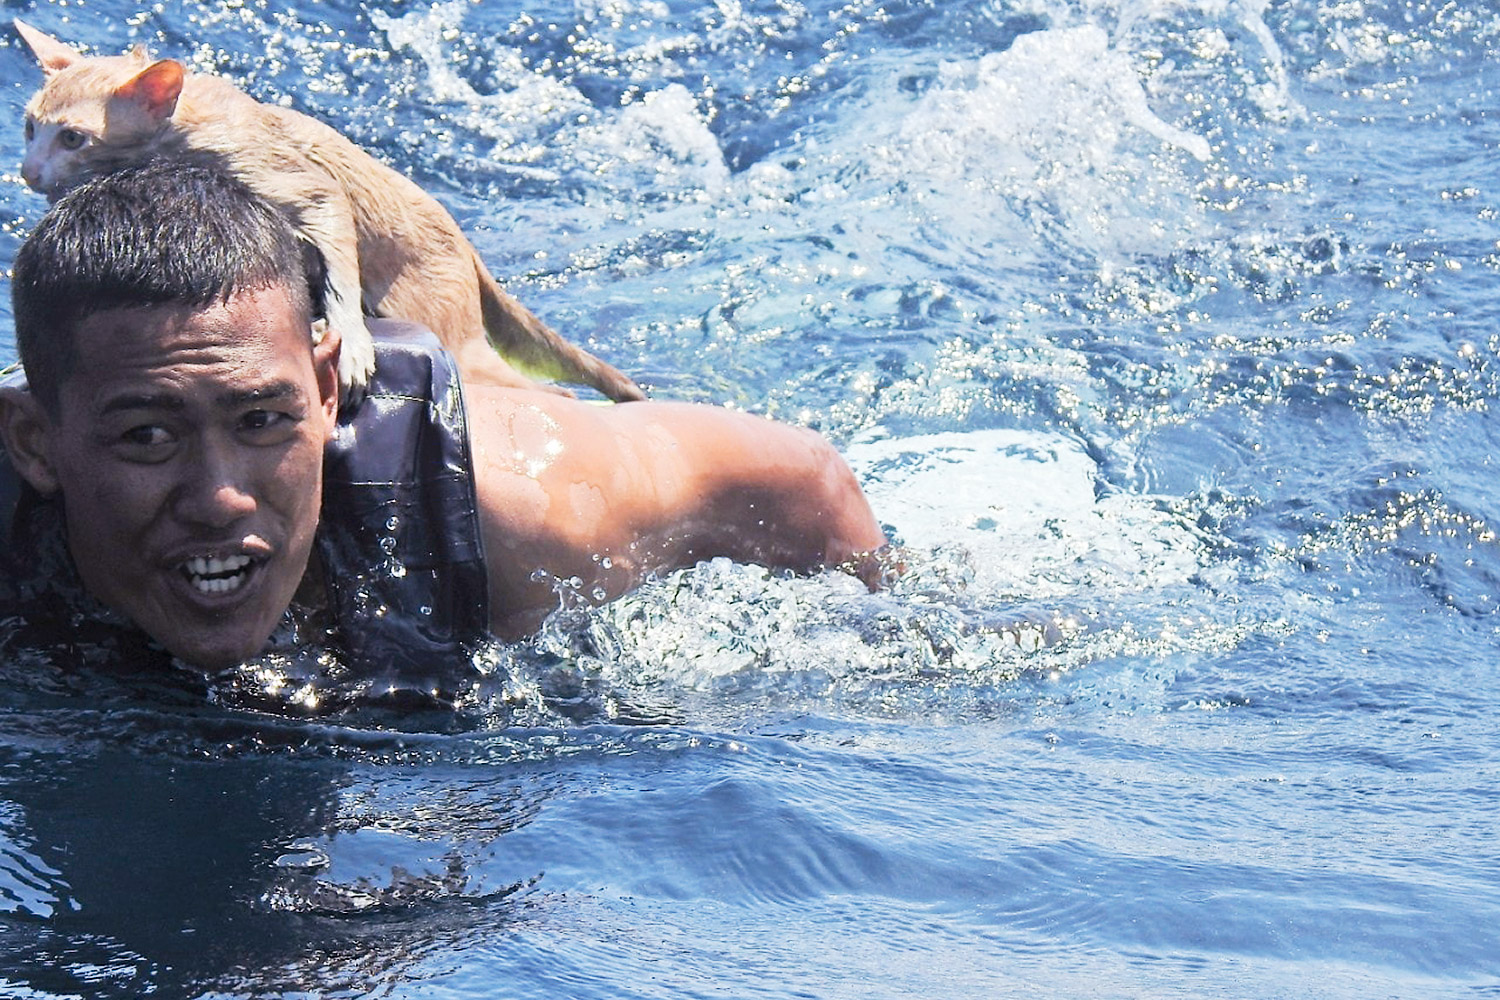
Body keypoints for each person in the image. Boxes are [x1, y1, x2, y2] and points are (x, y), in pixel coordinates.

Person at [0, 163, 886, 681]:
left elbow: (798, 476)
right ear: (35, 442)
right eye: (147, 436)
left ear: (324, 386)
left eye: (263, 419)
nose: (220, 497)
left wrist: (889, 620)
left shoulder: (517, 514)